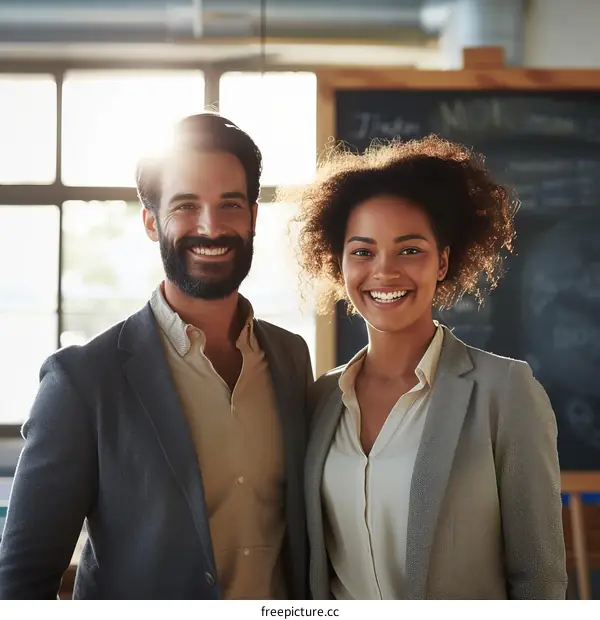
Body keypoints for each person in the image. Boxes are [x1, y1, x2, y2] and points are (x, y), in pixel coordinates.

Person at [0, 113, 313, 600]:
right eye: (186, 205)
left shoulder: (292, 358)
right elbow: (21, 582)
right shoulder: (82, 381)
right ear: (151, 222)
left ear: (253, 217)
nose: (211, 227)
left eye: (229, 204)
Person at [291, 135, 568, 600]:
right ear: (339, 264)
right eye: (362, 251)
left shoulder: (504, 391)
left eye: (410, 249)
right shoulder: (321, 398)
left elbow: (538, 576)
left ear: (442, 261)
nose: (384, 271)